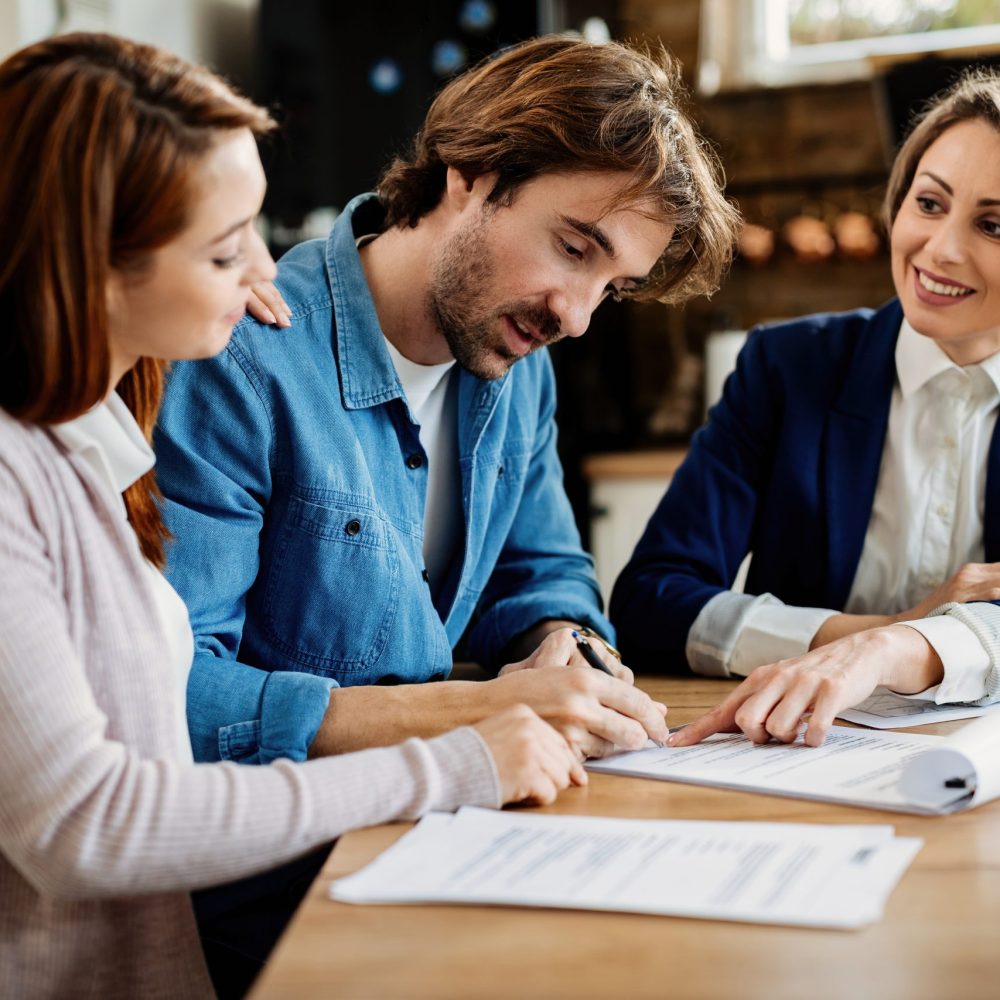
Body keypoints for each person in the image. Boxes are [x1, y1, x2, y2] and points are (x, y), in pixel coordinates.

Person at [0, 33, 586, 1000]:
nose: (265, 272)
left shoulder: (92, 442)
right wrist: (450, 764)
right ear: (95, 262)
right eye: (226, 246)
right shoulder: (21, 476)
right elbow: (88, 827)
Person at [153, 34, 739, 771]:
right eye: (574, 248)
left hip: (446, 810)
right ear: (471, 174)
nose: (577, 317)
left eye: (611, 289)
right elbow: (173, 693)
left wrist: (565, 644)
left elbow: (540, 573)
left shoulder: (518, 363)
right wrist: (469, 711)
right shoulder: (240, 358)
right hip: (286, 857)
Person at [610, 69, 1000, 748]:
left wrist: (905, 650)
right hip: (786, 750)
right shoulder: (787, 369)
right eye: (929, 203)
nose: (941, 249)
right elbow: (651, 600)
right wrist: (864, 638)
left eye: (993, 225)